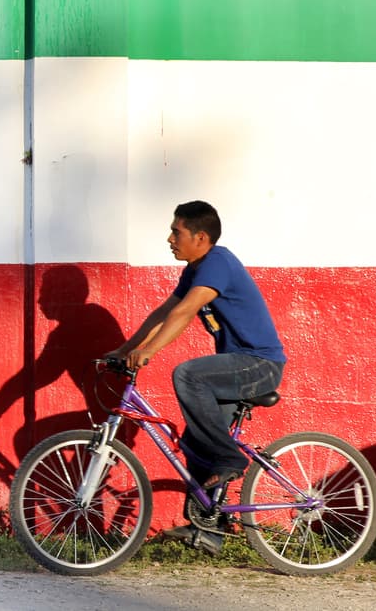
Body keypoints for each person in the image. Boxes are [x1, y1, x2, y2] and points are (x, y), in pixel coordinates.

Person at [108, 200, 286, 552]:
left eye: (177, 231)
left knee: (188, 374)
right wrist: (124, 348)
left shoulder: (217, 263)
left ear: (200, 237)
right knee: (195, 442)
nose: (169, 238)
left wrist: (150, 351)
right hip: (236, 365)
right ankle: (209, 530)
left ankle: (232, 459)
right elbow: (164, 312)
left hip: (259, 365)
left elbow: (187, 311)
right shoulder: (194, 270)